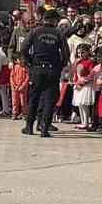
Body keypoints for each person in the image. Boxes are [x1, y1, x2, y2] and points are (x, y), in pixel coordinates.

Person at [21, 8, 70, 138]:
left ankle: (29, 126)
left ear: (44, 19)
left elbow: (24, 48)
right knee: (50, 100)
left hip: (37, 69)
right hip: (52, 70)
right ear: (54, 20)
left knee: (34, 98)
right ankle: (44, 129)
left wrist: (29, 61)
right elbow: (66, 53)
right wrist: (60, 65)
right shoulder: (59, 33)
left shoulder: (35, 31)